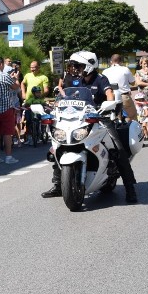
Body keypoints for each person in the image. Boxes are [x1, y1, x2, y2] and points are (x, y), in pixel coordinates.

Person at [42, 51, 138, 203]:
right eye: (74, 65)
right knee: (58, 146)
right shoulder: (78, 81)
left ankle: (130, 189)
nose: (75, 68)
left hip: (101, 118)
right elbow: (69, 97)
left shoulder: (100, 79)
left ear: (88, 66)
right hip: (81, 120)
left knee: (118, 149)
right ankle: (58, 186)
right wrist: (58, 104)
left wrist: (109, 105)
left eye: (78, 65)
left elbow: (109, 94)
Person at [102, 54, 137, 122]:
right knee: (131, 117)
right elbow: (133, 82)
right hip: (123, 96)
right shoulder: (125, 69)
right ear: (121, 61)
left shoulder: (105, 71)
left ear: (111, 61)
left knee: (113, 118)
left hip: (110, 97)